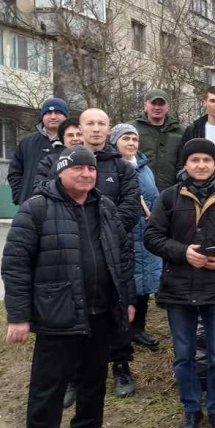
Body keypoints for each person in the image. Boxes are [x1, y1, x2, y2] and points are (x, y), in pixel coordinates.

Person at [2, 145, 135, 428]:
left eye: (91, 169)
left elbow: (122, 256)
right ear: (61, 171)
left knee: (93, 383)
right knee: (48, 389)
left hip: (101, 313)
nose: (87, 174)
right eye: (79, 169)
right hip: (56, 313)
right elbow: (15, 266)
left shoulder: (105, 207)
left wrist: (126, 299)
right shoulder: (37, 209)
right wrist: (18, 316)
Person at [145, 138, 215, 428]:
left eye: (207, 160)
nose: (201, 165)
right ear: (185, 164)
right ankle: (191, 409)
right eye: (195, 160)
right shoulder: (168, 198)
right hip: (178, 288)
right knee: (184, 355)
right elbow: (152, 236)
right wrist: (182, 252)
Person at [78, 108, 141, 398]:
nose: (96, 128)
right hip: (76, 251)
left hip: (116, 250)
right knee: (76, 310)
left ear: (108, 129)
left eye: (101, 124)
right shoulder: (62, 163)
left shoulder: (123, 168)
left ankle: (121, 366)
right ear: (80, 128)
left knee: (119, 307)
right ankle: (73, 375)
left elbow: (130, 209)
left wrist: (104, 232)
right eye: (90, 123)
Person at [111, 123, 162, 351]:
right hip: (126, 232)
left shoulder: (144, 167)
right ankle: (123, 329)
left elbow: (154, 195)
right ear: (115, 142)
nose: (131, 143)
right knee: (127, 281)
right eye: (125, 139)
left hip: (147, 232)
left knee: (144, 283)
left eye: (134, 139)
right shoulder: (111, 167)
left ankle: (138, 329)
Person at [8, 97, 69, 205]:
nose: (53, 116)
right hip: (30, 204)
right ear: (42, 116)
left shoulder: (74, 142)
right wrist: (20, 195)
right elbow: (15, 171)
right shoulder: (27, 142)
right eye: (48, 113)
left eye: (58, 112)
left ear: (66, 116)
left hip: (64, 206)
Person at [131, 89, 184, 191]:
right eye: (153, 103)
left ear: (167, 107)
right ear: (145, 105)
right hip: (139, 191)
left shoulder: (180, 132)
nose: (157, 107)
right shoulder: (132, 129)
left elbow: (183, 163)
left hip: (172, 192)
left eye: (161, 104)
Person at [33, 118, 84, 189]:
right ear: (63, 139)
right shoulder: (49, 162)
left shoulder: (97, 158)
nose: (75, 139)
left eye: (79, 134)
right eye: (70, 135)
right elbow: (39, 187)